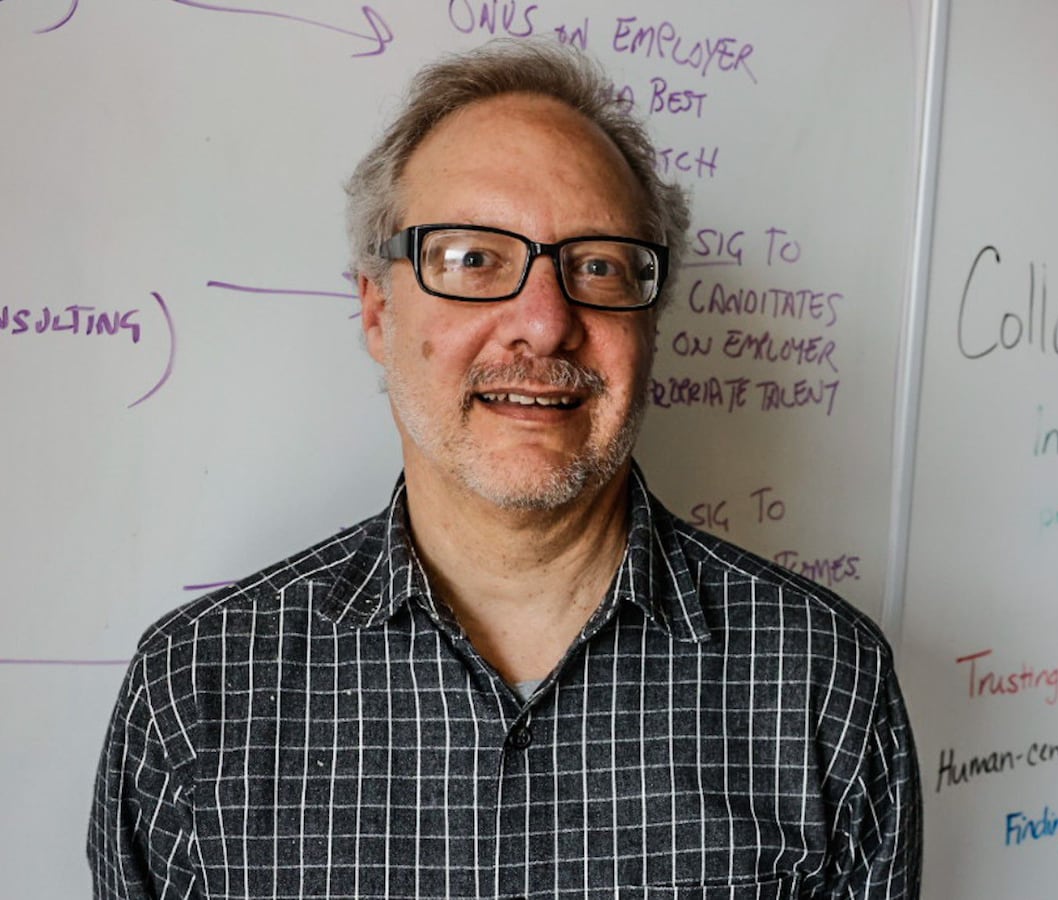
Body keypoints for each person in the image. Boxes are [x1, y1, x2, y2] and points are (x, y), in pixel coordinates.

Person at [88, 39, 921, 899]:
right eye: (474, 259)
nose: (544, 322)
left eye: (597, 265)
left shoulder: (827, 685)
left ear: (652, 323)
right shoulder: (196, 695)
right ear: (378, 310)